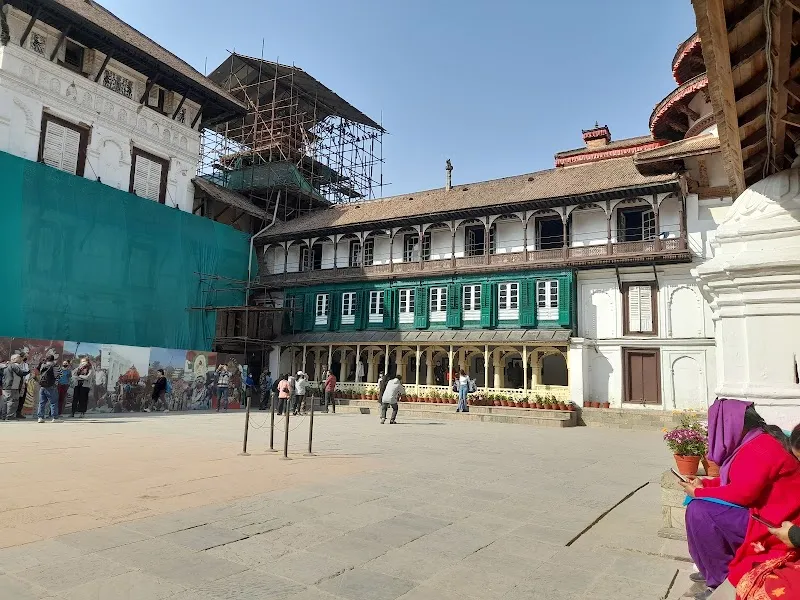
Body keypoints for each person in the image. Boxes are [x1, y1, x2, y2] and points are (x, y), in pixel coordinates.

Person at [680, 400, 800, 599]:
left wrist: (699, 493)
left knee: (701, 511)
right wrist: (705, 485)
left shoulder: (760, 447)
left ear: (732, 426)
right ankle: (711, 571)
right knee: (700, 507)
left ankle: (718, 578)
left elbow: (743, 493)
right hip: (764, 512)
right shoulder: (754, 441)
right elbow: (739, 481)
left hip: (775, 521)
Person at [36, 354, 59, 423]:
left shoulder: (43, 365)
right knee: (53, 402)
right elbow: (56, 376)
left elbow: (39, 372)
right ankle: (54, 418)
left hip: (42, 386)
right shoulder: (54, 366)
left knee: (41, 403)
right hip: (51, 386)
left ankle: (40, 417)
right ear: (53, 359)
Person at [2, 354, 24, 421]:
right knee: (12, 402)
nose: (21, 359)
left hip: (6, 386)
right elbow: (21, 373)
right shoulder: (14, 366)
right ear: (13, 359)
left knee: (6, 402)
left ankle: (4, 416)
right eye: (19, 357)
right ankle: (10, 416)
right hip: (12, 386)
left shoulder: (7, 366)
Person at [15, 353, 30, 419]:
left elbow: (27, 373)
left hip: (24, 384)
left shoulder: (26, 364)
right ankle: (13, 413)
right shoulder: (17, 364)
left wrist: (26, 380)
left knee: (22, 399)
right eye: (24, 356)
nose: (25, 358)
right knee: (16, 398)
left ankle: (18, 413)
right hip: (17, 384)